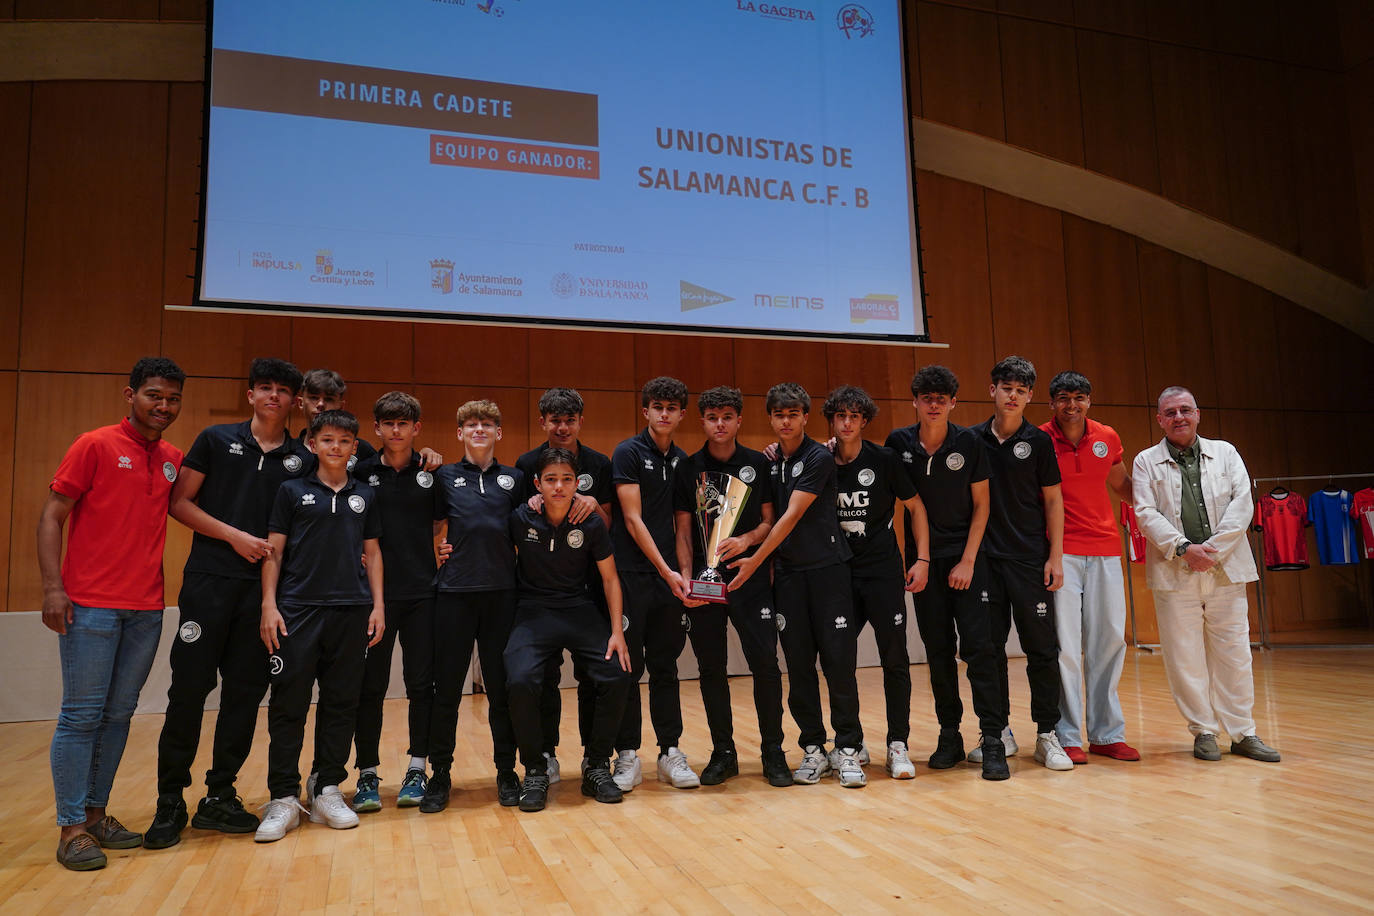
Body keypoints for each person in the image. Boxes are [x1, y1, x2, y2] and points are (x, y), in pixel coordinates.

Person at [145, 358, 309, 850]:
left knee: (243, 693)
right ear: (250, 394)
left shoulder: (302, 458)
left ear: (295, 400)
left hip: (263, 596)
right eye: (265, 388)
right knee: (189, 690)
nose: (273, 397)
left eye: (283, 390)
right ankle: (169, 799)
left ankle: (220, 794)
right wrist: (235, 537)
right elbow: (180, 504)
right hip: (209, 584)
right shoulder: (216, 439)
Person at [40, 358, 186, 870]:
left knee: (118, 715)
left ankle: (98, 814)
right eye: (153, 395)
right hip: (89, 605)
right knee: (81, 716)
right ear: (130, 395)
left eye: (172, 398)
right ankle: (72, 828)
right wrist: (54, 588)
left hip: (146, 608)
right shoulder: (94, 444)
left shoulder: (172, 457)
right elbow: (52, 515)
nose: (163, 405)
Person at [255, 409, 386, 841]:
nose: (335, 447)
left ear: (354, 448)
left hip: (351, 610)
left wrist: (377, 605)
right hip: (297, 610)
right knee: (289, 703)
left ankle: (328, 786)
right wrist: (269, 605)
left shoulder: (365, 494)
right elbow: (273, 551)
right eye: (327, 439)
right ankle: (283, 796)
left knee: (341, 701)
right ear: (312, 443)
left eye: (344, 441)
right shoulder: (291, 490)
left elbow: (374, 553)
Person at [1131, 387, 1280, 763]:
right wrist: (1184, 548)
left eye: (1185, 410)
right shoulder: (1145, 461)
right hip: (1174, 569)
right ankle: (1204, 731)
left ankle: (1244, 732)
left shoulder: (1226, 452)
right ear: (1159, 419)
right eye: (1170, 412)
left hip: (1225, 569)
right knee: (1184, 655)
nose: (1179, 417)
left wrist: (1211, 551)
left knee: (1234, 653)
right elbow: (1145, 512)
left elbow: (1241, 503)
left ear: (1198, 414)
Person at [730, 383, 865, 788]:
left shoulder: (819, 456)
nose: (786, 421)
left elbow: (790, 516)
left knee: (839, 665)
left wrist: (754, 562)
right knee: (799, 666)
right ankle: (812, 747)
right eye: (778, 415)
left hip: (828, 573)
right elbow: (768, 517)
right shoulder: (771, 462)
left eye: (793, 414)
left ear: (806, 417)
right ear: (770, 419)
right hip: (788, 577)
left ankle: (848, 749)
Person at [885, 366, 1009, 780]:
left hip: (967, 561)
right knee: (938, 652)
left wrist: (968, 561)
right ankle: (949, 734)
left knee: (979, 649)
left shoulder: (970, 443)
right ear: (915, 401)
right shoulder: (898, 443)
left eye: (942, 398)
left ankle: (992, 739)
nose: (934, 404)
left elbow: (983, 506)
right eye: (926, 397)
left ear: (953, 402)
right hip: (924, 565)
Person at [672, 386, 791, 787]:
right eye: (711, 417)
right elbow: (684, 531)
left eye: (727, 416)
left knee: (766, 667)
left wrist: (746, 541)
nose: (719, 424)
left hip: (750, 581)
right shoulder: (688, 468)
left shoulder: (758, 464)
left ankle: (773, 751)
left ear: (739, 420)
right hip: (705, 587)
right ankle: (724, 753)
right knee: (711, 669)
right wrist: (689, 579)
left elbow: (769, 523)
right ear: (701, 421)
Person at [504, 448, 634, 811]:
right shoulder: (520, 518)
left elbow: (610, 579)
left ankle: (595, 764)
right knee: (519, 680)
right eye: (550, 479)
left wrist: (616, 632)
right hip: (533, 611)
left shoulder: (591, 522)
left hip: (578, 609)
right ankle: (535, 768)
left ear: (578, 483)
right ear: (537, 484)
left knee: (616, 673)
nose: (558, 487)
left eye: (566, 479)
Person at [970, 357, 1072, 772]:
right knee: (986, 651)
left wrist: (1055, 555)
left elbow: (1053, 500)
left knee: (1042, 650)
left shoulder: (1040, 442)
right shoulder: (971, 439)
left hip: (1030, 560)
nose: (1012, 395)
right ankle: (996, 733)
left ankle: (1047, 733)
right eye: (1005, 387)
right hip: (985, 563)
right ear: (992, 390)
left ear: (1030, 396)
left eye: (1020, 390)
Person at [823, 385, 930, 779]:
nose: (847, 422)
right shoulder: (821, 462)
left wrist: (922, 558)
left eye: (854, 416)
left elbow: (916, 508)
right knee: (838, 659)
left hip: (884, 573)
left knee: (895, 658)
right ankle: (849, 742)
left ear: (864, 421)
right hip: (839, 575)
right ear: (832, 421)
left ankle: (898, 744)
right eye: (840, 416)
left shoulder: (884, 460)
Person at [347, 392, 443, 812]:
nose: (397, 430)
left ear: (416, 428)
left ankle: (417, 767)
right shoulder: (362, 472)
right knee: (371, 687)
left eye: (405, 423)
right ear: (378, 429)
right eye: (389, 423)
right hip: (374, 598)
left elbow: (443, 522)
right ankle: (367, 773)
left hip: (423, 594)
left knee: (422, 685)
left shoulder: (431, 470)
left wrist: (440, 549)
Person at [427, 400, 525, 810]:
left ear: (498, 433)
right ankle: (441, 775)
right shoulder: (444, 477)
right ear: (460, 433)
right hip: (454, 594)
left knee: (501, 691)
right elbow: (432, 525)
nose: (479, 430)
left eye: (487, 424)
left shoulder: (515, 479)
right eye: (471, 424)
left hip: (502, 593)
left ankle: (506, 771)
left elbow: (528, 524)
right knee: (447, 689)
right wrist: (437, 549)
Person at [514, 387, 613, 783]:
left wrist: (589, 505)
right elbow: (519, 524)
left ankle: (594, 757)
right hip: (541, 588)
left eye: (569, 420)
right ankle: (547, 753)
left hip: (587, 588)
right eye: (555, 420)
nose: (562, 427)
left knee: (595, 675)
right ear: (543, 423)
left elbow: (606, 520)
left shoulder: (599, 463)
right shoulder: (525, 464)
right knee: (544, 676)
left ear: (580, 422)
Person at [1041, 371, 1139, 764]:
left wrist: (1162, 511)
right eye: (1063, 398)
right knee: (1065, 646)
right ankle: (1067, 736)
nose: (1072, 405)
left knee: (1110, 641)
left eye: (1079, 397)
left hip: (1106, 549)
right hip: (1060, 551)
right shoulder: (1039, 440)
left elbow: (1122, 486)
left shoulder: (1108, 437)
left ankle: (1106, 734)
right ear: (1051, 403)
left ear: (1089, 401)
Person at [609, 377, 698, 791]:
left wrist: (685, 577)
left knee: (666, 667)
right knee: (629, 667)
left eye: (672, 407)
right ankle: (627, 755)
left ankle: (669, 751)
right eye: (657, 406)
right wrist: (666, 571)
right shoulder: (628, 452)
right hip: (632, 577)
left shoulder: (684, 461)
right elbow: (632, 518)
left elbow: (683, 523)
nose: (664, 413)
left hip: (669, 582)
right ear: (646, 411)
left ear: (681, 414)